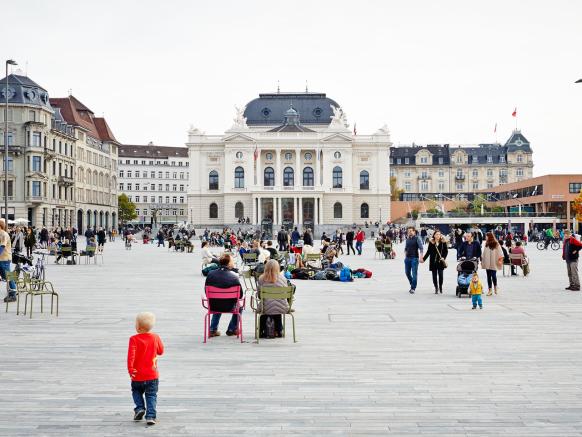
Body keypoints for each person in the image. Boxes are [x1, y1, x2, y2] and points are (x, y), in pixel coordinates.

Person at [127, 312, 164, 426]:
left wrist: (130, 370)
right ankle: (151, 416)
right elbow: (161, 351)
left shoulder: (133, 339)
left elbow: (131, 356)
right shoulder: (155, 337)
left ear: (138, 327)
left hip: (137, 375)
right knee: (151, 395)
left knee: (136, 391)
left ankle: (139, 409)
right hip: (152, 375)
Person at [205, 253, 243, 337]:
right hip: (229, 306)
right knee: (239, 307)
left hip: (213, 306)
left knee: (217, 300)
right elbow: (240, 295)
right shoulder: (234, 277)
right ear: (229, 263)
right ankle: (232, 329)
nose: (233, 263)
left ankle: (212, 329)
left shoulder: (210, 274)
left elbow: (206, 290)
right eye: (232, 261)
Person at [257, 259, 290, 338]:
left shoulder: (261, 278)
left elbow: (259, 296)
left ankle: (262, 330)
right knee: (276, 305)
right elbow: (285, 295)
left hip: (265, 308)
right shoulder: (283, 279)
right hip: (283, 307)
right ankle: (279, 330)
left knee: (267, 306)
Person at [422, 230, 448, 294]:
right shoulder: (431, 242)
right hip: (433, 261)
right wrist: (423, 259)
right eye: (436, 234)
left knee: (441, 275)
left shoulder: (443, 242)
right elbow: (428, 252)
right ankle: (436, 287)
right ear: (434, 235)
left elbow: (446, 251)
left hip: (440, 261)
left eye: (439, 234)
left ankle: (440, 286)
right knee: (434, 276)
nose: (438, 235)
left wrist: (443, 257)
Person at [0, 219, 17, 303]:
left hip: (5, 259)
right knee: (6, 277)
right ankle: (12, 292)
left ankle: (13, 294)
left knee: (8, 276)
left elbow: (2, 246)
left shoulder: (4, 234)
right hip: (1, 259)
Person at [405, 227, 423, 294]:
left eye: (411, 231)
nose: (409, 232)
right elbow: (406, 248)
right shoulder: (407, 239)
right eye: (408, 231)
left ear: (414, 232)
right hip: (407, 258)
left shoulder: (417, 238)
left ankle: (413, 288)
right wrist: (405, 256)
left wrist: (421, 257)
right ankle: (412, 283)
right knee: (407, 273)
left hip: (414, 258)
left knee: (414, 273)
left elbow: (421, 248)